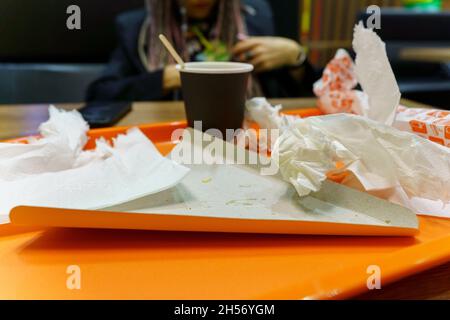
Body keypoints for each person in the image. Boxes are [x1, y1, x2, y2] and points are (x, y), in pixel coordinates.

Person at [86, 0, 316, 102]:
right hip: (174, 138)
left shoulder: (258, 16)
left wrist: (295, 56)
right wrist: (164, 79)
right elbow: (100, 95)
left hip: (248, 136)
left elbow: (309, 92)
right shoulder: (138, 29)